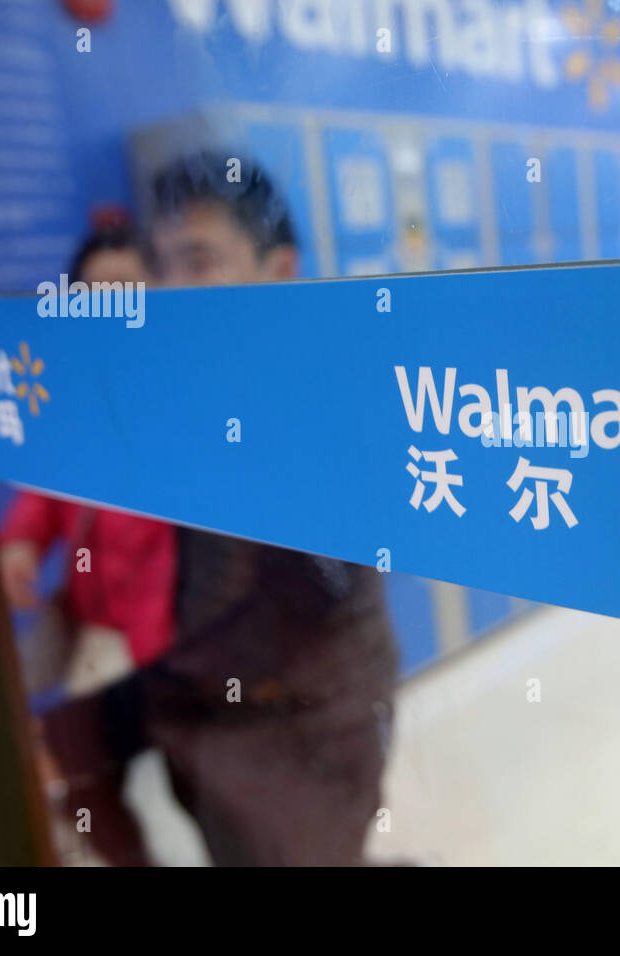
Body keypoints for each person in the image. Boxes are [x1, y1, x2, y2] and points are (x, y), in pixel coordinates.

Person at [43, 153, 398, 866]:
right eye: (163, 263)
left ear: (278, 272)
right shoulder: (176, 391)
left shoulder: (310, 396)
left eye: (198, 260)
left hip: (295, 723)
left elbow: (294, 584)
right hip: (199, 706)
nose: (170, 288)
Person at [0, 212, 177, 865]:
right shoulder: (74, 394)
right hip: (97, 635)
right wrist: (20, 541)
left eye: (129, 296)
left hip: (172, 638)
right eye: (95, 300)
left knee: (204, 783)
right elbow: (44, 490)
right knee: (83, 777)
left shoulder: (186, 395)